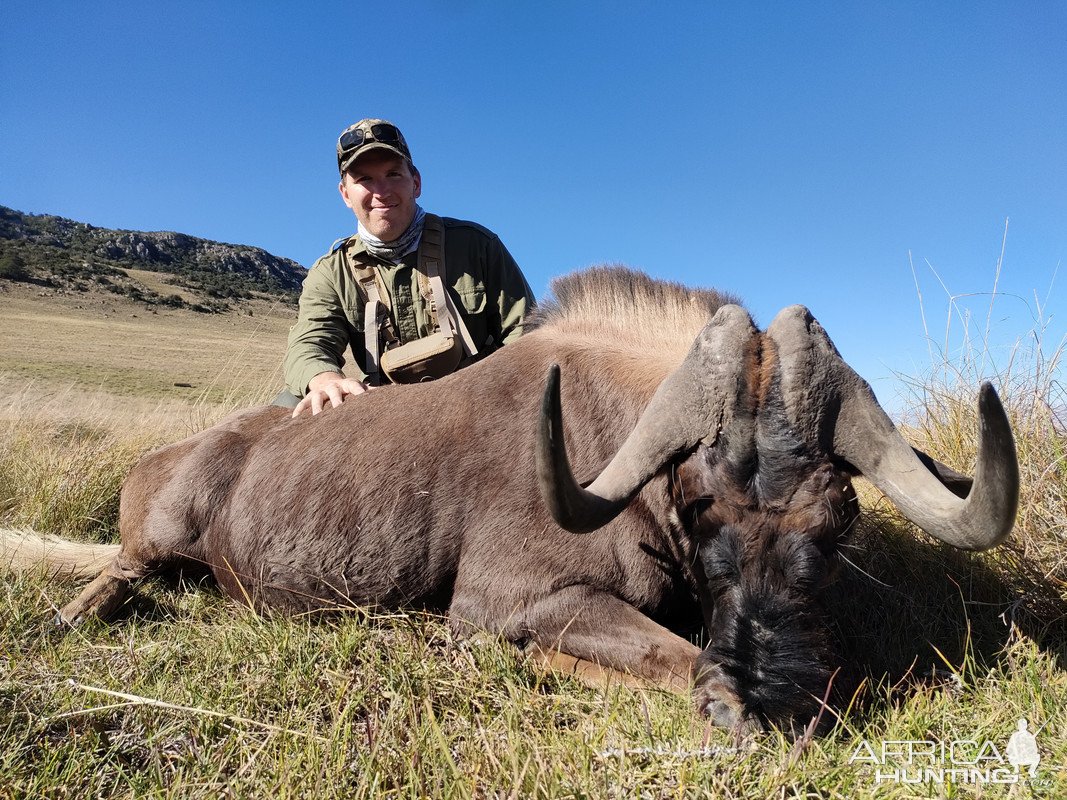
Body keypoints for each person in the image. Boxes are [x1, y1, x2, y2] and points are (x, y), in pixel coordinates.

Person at [279, 118, 535, 417]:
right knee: (286, 407)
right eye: (364, 179)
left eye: (393, 174)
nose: (382, 191)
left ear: (416, 183)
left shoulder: (476, 245)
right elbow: (310, 342)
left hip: (481, 402)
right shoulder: (331, 272)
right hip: (387, 412)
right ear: (345, 194)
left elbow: (526, 332)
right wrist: (325, 380)